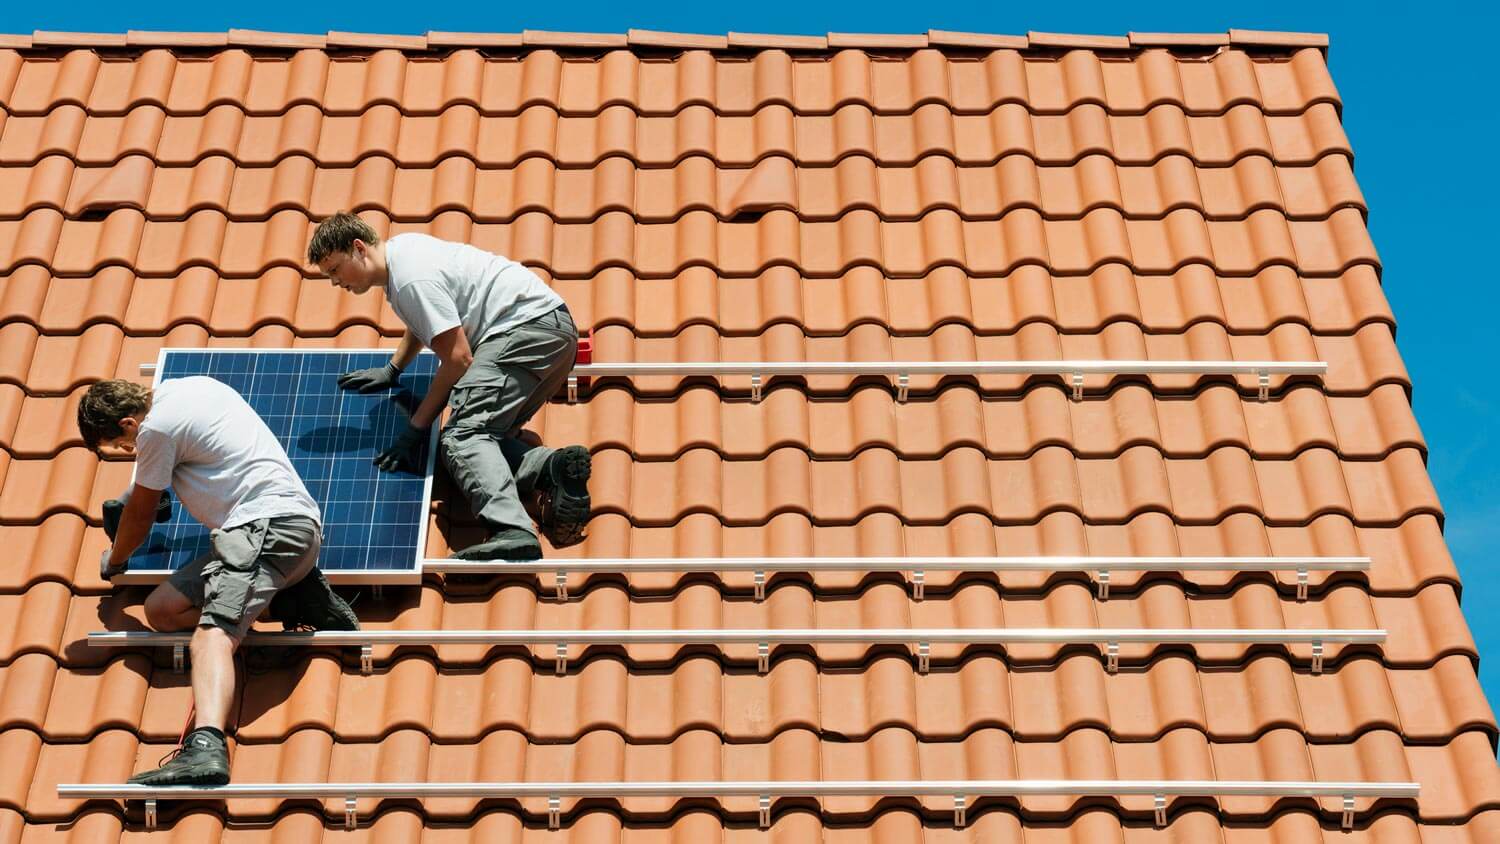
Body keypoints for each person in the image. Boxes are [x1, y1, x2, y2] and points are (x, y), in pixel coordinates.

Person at [78, 377, 360, 786]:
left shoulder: (155, 430)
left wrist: (116, 558)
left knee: (212, 636)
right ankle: (296, 601)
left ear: (127, 423)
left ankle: (207, 746)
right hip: (274, 535)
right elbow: (159, 473)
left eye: (125, 446)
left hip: (264, 530)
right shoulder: (191, 388)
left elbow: (139, 515)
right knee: (162, 610)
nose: (131, 453)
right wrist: (133, 495)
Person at [306, 213, 591, 560]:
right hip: (556, 335)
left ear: (358, 248)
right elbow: (426, 319)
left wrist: (415, 428)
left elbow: (457, 359)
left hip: (521, 331)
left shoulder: (410, 280)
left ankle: (511, 530)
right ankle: (552, 467)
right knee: (487, 438)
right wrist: (393, 369)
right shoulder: (404, 253)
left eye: (335, 270)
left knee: (462, 438)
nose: (336, 282)